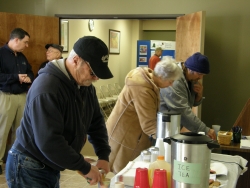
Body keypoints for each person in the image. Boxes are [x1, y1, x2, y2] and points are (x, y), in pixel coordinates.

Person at [5, 36, 113, 187]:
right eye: (93, 72)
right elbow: (49, 141)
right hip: (29, 165)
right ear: (76, 60)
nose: (96, 78)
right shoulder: (47, 88)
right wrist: (83, 166)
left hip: (50, 162)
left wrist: (103, 155)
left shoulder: (85, 86)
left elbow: (96, 122)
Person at [106, 57, 183, 174]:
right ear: (161, 77)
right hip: (125, 135)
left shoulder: (149, 80)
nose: (171, 85)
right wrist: (171, 139)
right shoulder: (143, 90)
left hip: (130, 131)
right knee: (123, 175)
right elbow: (148, 125)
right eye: (170, 81)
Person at [0, 28, 34, 175]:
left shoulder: (22, 57)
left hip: (22, 96)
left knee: (20, 131)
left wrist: (29, 78)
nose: (27, 46)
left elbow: (31, 71)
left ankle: (15, 160)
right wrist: (16, 77)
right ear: (16, 40)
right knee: (2, 131)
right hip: (6, 96)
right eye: (25, 42)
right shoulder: (1, 54)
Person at [160, 52, 216, 140]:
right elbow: (182, 110)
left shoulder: (189, 77)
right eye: (200, 74)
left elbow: (190, 103)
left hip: (173, 125)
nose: (201, 77)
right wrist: (205, 130)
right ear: (190, 70)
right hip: (161, 127)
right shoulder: (175, 79)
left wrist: (199, 95)